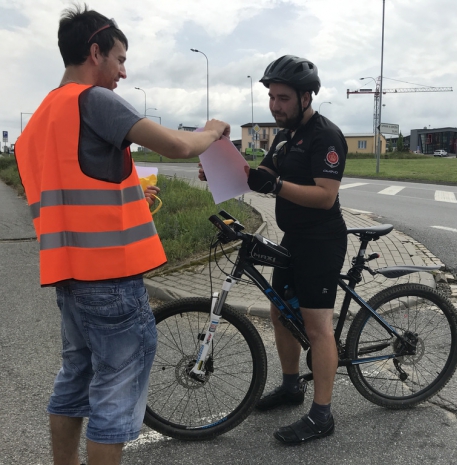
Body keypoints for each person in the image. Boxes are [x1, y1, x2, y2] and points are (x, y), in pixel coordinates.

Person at [15, 6, 230, 465]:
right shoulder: (92, 100)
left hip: (69, 279)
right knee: (114, 394)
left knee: (74, 380)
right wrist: (210, 132)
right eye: (119, 59)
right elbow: (175, 145)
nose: (123, 72)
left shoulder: (37, 123)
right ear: (96, 52)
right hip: (111, 278)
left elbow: (80, 186)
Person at [244, 55, 348, 444]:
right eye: (272, 97)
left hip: (322, 240)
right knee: (279, 311)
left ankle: (322, 415)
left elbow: (324, 196)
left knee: (317, 326)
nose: (275, 105)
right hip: (294, 238)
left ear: (306, 97)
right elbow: (266, 175)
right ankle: (291, 386)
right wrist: (233, 169)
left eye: (283, 98)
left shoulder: (326, 136)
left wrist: (275, 187)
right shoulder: (285, 135)